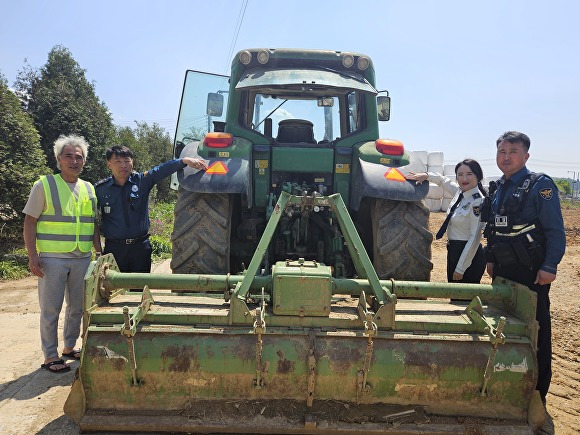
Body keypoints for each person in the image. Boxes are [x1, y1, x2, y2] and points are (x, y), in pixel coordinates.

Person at [483, 131, 565, 405]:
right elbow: (494, 230)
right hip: (504, 270)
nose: (505, 157)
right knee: (503, 324)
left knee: (536, 329)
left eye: (512, 152)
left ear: (525, 155)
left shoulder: (539, 185)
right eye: (501, 152)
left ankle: (537, 392)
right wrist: (491, 259)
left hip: (532, 272)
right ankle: (507, 380)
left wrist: (550, 265)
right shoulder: (497, 188)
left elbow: (554, 230)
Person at [23, 135, 101, 373]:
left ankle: (69, 347)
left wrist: (98, 250)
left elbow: (93, 223)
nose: (74, 161)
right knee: (51, 308)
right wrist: (32, 255)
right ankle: (49, 355)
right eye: (69, 156)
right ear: (58, 159)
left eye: (79, 157)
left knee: (77, 307)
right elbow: (29, 221)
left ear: (84, 162)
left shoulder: (88, 188)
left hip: (82, 257)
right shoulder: (44, 185)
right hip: (52, 259)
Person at [95, 145, 207, 272]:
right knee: (112, 288)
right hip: (114, 250)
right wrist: (98, 252)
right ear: (109, 164)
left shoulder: (142, 181)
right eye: (118, 162)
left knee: (139, 288)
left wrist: (184, 161)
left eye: (127, 161)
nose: (123, 165)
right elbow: (91, 221)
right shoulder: (100, 189)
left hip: (140, 248)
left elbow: (161, 170)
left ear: (132, 162)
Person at [407, 159, 487, 283]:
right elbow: (442, 181)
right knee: (455, 296)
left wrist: (461, 268)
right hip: (454, 250)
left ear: (478, 176)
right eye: (460, 175)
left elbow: (474, 238)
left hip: (468, 255)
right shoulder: (459, 192)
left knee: (463, 298)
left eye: (469, 174)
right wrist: (426, 175)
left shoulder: (478, 202)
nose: (464, 178)